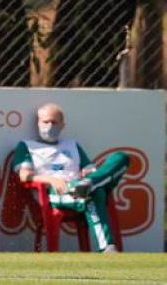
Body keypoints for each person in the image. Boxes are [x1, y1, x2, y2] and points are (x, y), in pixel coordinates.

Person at [13, 103, 130, 253]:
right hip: (54, 193)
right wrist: (50, 180)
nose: (49, 126)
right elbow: (24, 176)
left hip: (79, 185)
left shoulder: (72, 145)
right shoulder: (28, 146)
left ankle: (90, 183)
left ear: (62, 125)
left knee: (121, 157)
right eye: (45, 122)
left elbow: (90, 169)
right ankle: (108, 247)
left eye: (54, 122)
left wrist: (88, 176)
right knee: (95, 193)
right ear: (38, 123)